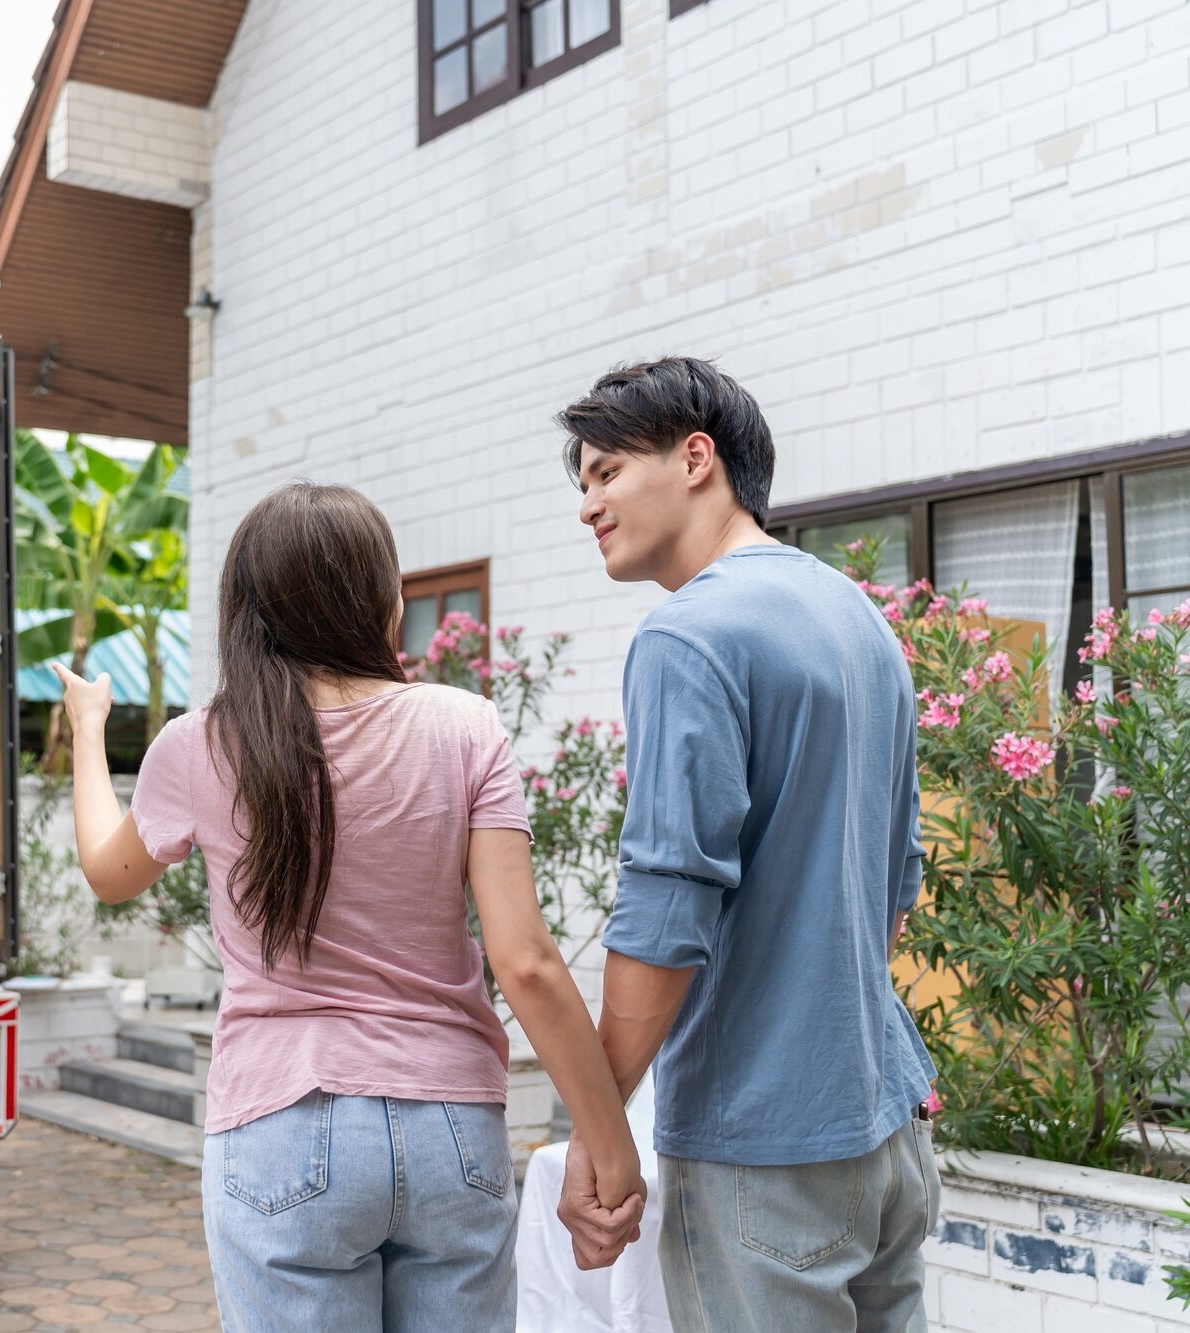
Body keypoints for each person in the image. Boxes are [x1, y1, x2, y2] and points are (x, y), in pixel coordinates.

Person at [51, 482, 644, 1332]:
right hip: (452, 1129)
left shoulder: (201, 743)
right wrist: (608, 1140)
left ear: (247, 610)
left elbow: (110, 874)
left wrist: (87, 725)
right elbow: (526, 963)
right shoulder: (465, 725)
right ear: (383, 599)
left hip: (280, 1123)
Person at [556, 358, 940, 1330]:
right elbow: (894, 884)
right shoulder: (859, 622)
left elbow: (664, 913)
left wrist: (596, 1134)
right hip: (882, 1127)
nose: (587, 504)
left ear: (695, 457)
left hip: (760, 1150)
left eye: (604, 471)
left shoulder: (689, 636)